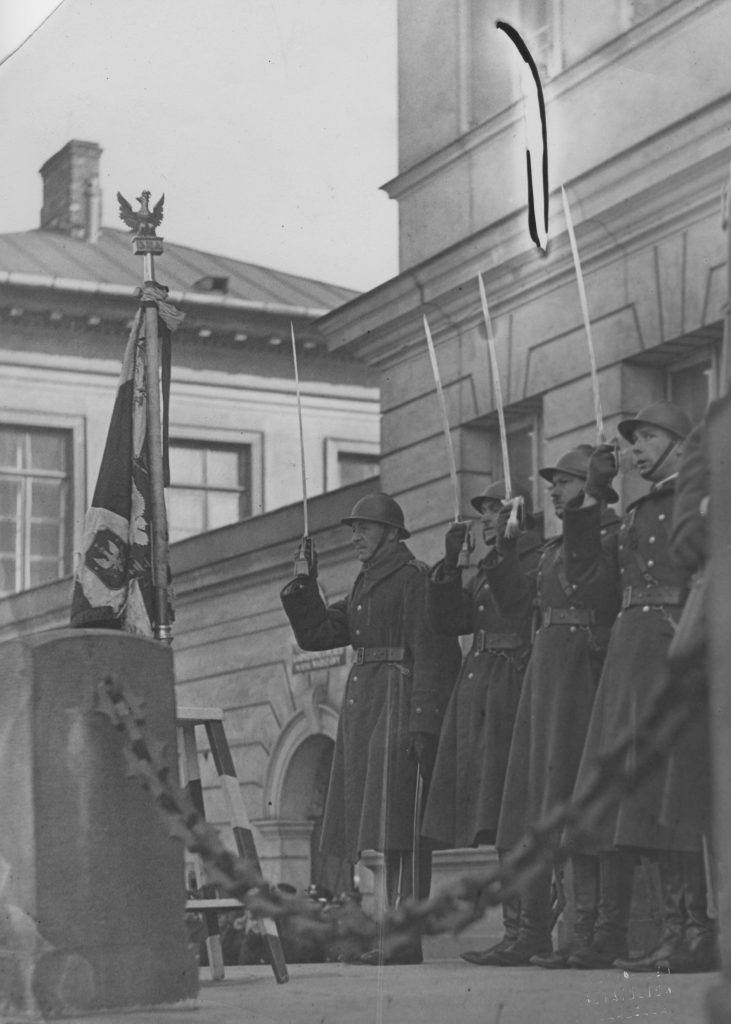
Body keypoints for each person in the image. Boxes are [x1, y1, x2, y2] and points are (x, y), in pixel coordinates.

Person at [564, 402, 715, 972]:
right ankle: (676, 930)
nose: (636, 449)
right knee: (649, 795)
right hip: (633, 655)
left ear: (680, 442)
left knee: (677, 791)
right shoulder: (630, 513)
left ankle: (695, 930)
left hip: (677, 647)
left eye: (648, 437)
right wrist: (592, 498)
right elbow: (586, 579)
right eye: (632, 441)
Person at [280, 492, 461, 965]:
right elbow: (320, 634)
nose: (355, 536)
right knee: (386, 827)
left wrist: (423, 723)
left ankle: (403, 938)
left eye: (364, 527)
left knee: (403, 828)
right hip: (369, 709)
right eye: (354, 529)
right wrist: (306, 584)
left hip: (398, 706)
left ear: (391, 533)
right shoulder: (366, 581)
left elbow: (434, 652)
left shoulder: (414, 578)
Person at [483, 446, 630, 968]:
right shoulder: (551, 548)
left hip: (584, 675)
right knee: (536, 803)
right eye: (553, 482)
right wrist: (503, 551)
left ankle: (595, 932)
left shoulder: (612, 535)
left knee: (585, 804)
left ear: (590, 485)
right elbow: (517, 603)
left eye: (564, 481)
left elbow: (602, 587)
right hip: (546, 675)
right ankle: (535, 932)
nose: (552, 489)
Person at [420, 480, 542, 966]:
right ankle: (516, 929)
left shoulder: (532, 558)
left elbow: (518, 605)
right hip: (484, 688)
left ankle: (530, 930)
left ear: (518, 514)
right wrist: (450, 567)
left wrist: (502, 554)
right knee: (499, 818)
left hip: (511, 686)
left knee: (517, 818)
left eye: (496, 510)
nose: (486, 519)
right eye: (484, 511)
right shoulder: (489, 566)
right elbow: (451, 622)